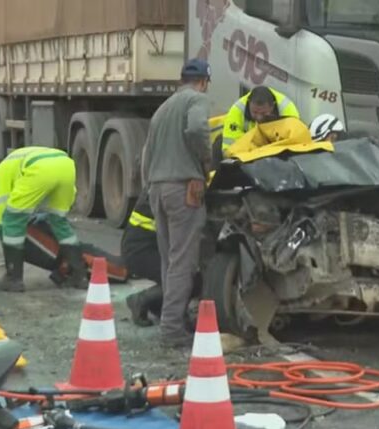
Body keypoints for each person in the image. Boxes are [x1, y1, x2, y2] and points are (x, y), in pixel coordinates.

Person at [141, 58, 212, 347]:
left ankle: (171, 319)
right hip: (185, 187)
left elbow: (146, 153)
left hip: (157, 188)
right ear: (204, 81)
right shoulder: (197, 100)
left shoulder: (162, 108)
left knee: (170, 259)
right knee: (183, 260)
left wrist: (149, 185)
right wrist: (205, 159)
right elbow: (197, 130)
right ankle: (171, 329)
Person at [0, 147, 88, 292]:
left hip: (40, 169)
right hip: (67, 165)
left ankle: (13, 278)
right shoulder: (15, 160)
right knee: (59, 220)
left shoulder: (0, 174)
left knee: (11, 220)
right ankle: (79, 276)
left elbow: (4, 217)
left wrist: (5, 234)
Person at [122, 190, 163, 327]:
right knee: (184, 278)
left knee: (180, 276)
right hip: (140, 252)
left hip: (138, 248)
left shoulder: (156, 187)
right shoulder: (170, 193)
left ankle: (157, 305)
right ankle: (140, 300)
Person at [222, 86, 299, 156]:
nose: (259, 118)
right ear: (249, 104)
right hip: (248, 156)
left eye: (263, 113)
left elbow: (295, 144)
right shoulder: (237, 110)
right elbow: (229, 148)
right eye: (255, 112)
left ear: (272, 106)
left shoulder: (288, 111)